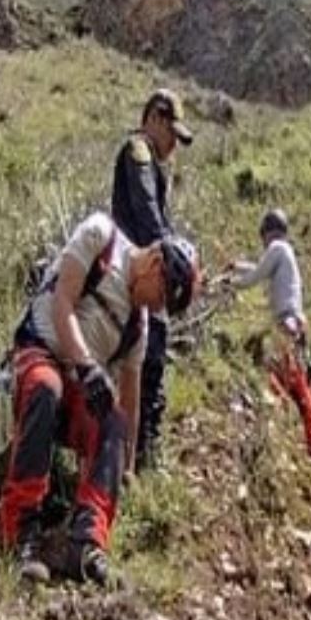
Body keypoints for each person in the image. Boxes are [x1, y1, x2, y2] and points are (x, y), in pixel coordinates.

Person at [0, 211, 200, 584]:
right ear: (154, 264)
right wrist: (88, 365)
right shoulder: (100, 237)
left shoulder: (138, 326)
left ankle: (86, 544)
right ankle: (19, 534)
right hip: (39, 356)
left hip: (79, 388)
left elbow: (131, 399)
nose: (156, 309)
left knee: (114, 421)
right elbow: (62, 302)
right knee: (46, 386)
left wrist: (126, 468)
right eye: (160, 297)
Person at [111, 87, 193, 470]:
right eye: (172, 133)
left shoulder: (151, 160)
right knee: (149, 361)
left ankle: (139, 451)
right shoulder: (139, 151)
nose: (175, 143)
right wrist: (169, 256)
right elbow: (147, 216)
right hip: (143, 272)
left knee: (145, 364)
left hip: (144, 268)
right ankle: (142, 454)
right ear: (155, 119)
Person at [230, 207, 311, 460]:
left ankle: (293, 440)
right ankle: (309, 441)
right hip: (293, 324)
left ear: (268, 233)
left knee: (289, 385)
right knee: (293, 385)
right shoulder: (284, 252)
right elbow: (260, 268)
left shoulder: (277, 249)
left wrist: (232, 283)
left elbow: (257, 275)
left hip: (287, 324)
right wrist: (237, 266)